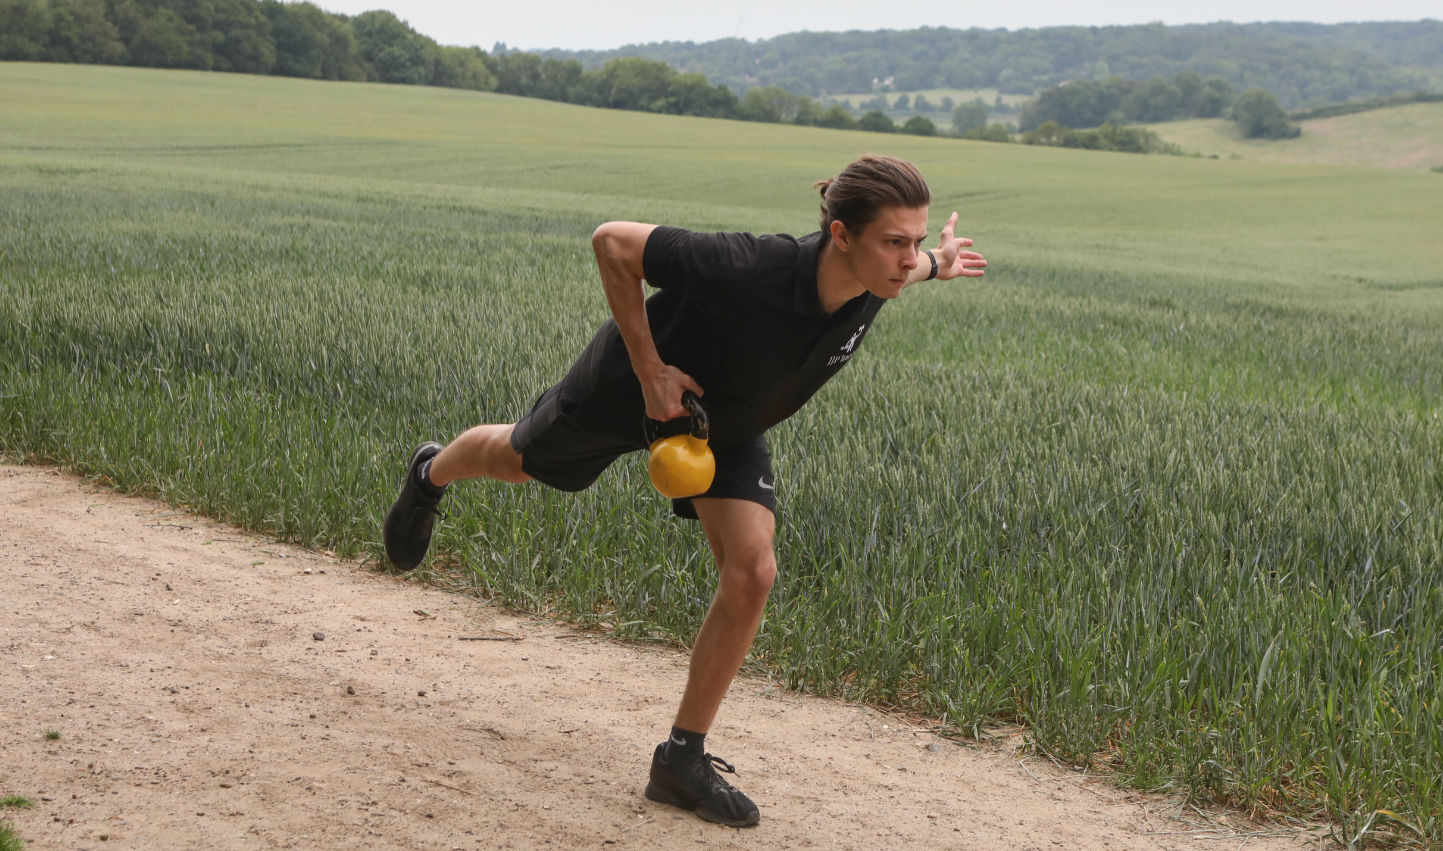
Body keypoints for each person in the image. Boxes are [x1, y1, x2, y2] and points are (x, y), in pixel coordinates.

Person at [383, 154, 987, 827]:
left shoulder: (884, 273)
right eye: (894, 242)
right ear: (840, 235)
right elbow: (612, 242)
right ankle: (429, 472)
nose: (907, 260)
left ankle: (680, 757)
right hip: (628, 390)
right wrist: (647, 370)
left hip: (723, 424)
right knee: (517, 458)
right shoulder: (750, 265)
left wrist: (942, 260)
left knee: (753, 569)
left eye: (915, 241)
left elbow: (916, 265)